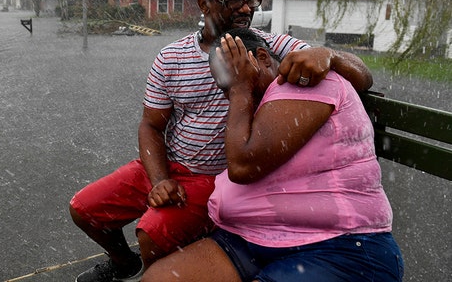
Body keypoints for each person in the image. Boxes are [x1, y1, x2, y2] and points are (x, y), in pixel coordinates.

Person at [69, 0, 374, 282]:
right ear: (204, 3)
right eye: (234, 1)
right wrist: (159, 180)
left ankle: (159, 270)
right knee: (84, 209)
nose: (246, 9)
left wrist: (328, 54)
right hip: (166, 165)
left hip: (213, 178)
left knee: (152, 233)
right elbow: (151, 126)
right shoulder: (172, 57)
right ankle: (124, 263)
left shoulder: (268, 44)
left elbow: (363, 76)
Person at [141, 28, 404, 282]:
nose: (228, 94)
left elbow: (245, 165)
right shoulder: (258, 102)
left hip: (337, 244)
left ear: (263, 58)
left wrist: (241, 88)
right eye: (224, 86)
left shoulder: (305, 81)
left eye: (232, 78)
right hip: (249, 239)